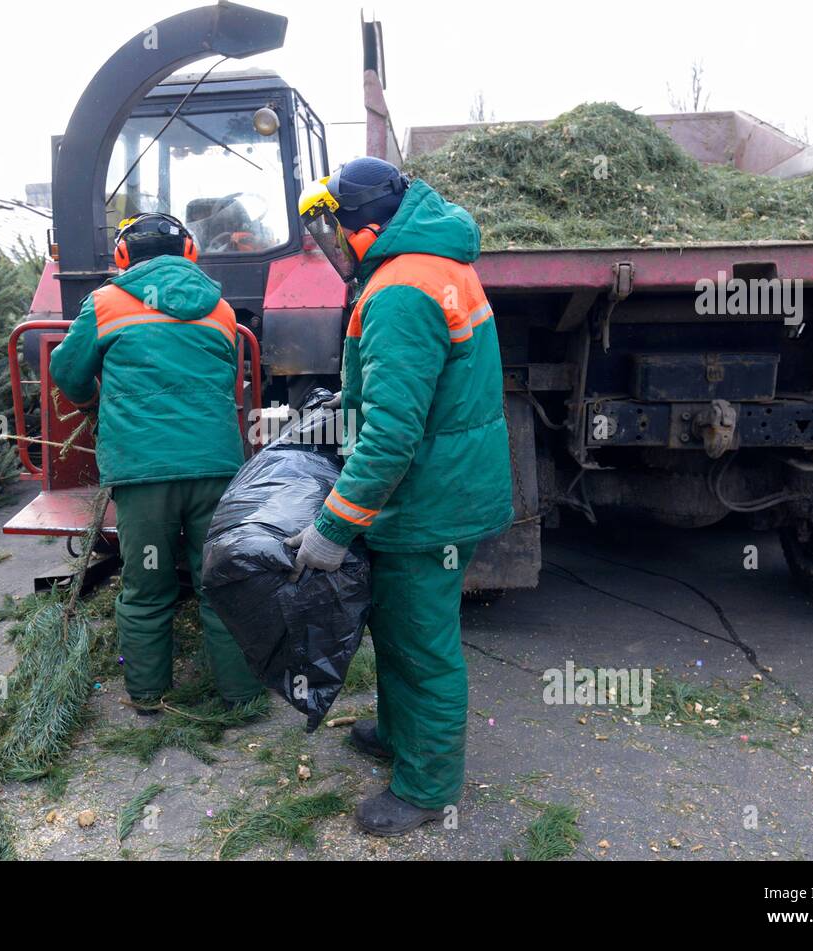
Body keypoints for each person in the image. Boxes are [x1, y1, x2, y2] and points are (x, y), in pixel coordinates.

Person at [292, 158, 513, 835]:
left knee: (422, 645)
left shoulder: (397, 291)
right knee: (394, 622)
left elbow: (390, 436)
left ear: (365, 227)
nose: (334, 248)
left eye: (335, 232)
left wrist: (331, 528)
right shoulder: (433, 261)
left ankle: (426, 788)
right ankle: (397, 731)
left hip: (427, 505)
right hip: (443, 486)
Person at [49, 213, 262, 710]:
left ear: (121, 257)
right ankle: (243, 695)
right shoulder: (222, 309)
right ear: (190, 252)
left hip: (143, 475)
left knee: (147, 584)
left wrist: (88, 402)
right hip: (215, 467)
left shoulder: (104, 304)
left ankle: (147, 695)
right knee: (220, 582)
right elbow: (226, 375)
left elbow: (68, 370)